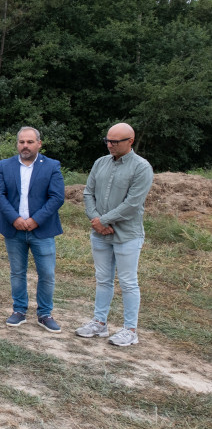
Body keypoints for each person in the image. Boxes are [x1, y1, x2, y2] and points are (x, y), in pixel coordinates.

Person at [76, 123, 153, 347]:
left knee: (128, 282)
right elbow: (88, 193)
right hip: (100, 233)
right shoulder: (100, 163)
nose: (110, 145)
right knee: (103, 279)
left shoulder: (141, 167)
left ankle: (130, 329)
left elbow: (133, 203)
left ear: (130, 141)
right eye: (108, 141)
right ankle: (99, 323)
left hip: (127, 234)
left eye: (115, 142)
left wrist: (104, 220)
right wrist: (96, 221)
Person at [0, 127, 65, 332]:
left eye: (30, 142)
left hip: (42, 230)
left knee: (47, 273)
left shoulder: (51, 166)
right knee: (17, 272)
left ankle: (44, 314)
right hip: (13, 229)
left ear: (39, 144)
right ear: (17, 144)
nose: (25, 146)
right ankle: (19, 310)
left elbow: (57, 197)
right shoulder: (5, 165)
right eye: (22, 142)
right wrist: (15, 218)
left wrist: (35, 220)